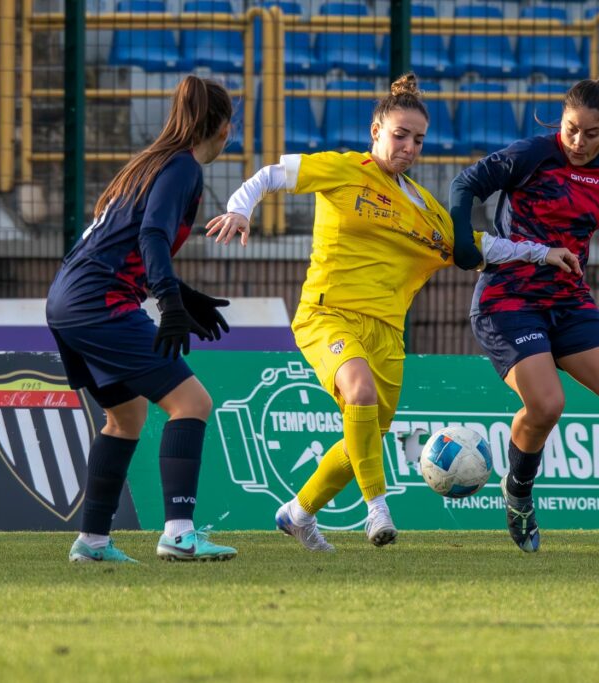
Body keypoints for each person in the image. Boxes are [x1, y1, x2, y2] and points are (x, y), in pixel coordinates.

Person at [205, 72, 577, 551]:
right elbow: (272, 174)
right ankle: (376, 508)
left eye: (418, 139)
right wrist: (241, 207)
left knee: (363, 437)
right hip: (328, 314)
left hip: (387, 334)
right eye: (400, 134)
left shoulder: (423, 207)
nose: (409, 146)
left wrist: (542, 253)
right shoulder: (345, 169)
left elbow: (479, 244)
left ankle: (298, 513)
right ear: (375, 131)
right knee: (358, 394)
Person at [449, 76, 599, 553]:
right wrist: (460, 238)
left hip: (569, 301)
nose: (578, 142)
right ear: (562, 118)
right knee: (547, 405)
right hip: (507, 299)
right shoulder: (532, 154)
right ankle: (517, 493)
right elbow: (465, 183)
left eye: (591, 134)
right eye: (571, 129)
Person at [47, 75, 238, 563]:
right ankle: (178, 532)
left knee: (125, 417)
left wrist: (182, 294)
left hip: (67, 299)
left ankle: (91, 542)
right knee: (192, 402)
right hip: (99, 302)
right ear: (222, 128)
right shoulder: (182, 168)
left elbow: (124, 240)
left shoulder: (148, 163)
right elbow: (152, 234)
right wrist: (169, 302)